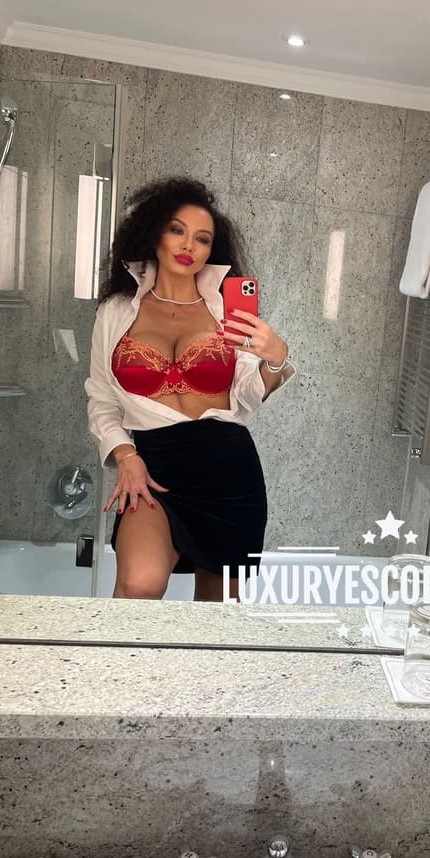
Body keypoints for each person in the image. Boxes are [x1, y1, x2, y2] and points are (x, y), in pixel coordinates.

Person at [85, 177, 294, 601]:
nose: (189, 245)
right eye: (177, 230)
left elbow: (249, 393)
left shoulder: (226, 310)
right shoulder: (116, 310)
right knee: (139, 584)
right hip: (152, 468)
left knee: (215, 616)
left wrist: (275, 358)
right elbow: (102, 398)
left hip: (229, 474)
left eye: (202, 238)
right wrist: (125, 456)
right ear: (154, 232)